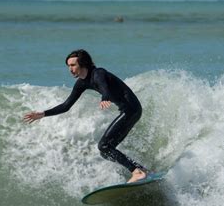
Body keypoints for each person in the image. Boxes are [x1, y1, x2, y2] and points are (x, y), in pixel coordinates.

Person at [23, 49, 148, 183]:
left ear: (83, 64)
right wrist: (43, 114)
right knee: (105, 151)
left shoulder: (98, 73)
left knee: (104, 146)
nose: (70, 69)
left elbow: (103, 86)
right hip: (129, 110)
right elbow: (66, 105)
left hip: (131, 109)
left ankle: (136, 172)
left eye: (73, 65)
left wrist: (104, 97)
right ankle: (141, 170)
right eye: (68, 66)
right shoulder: (82, 83)